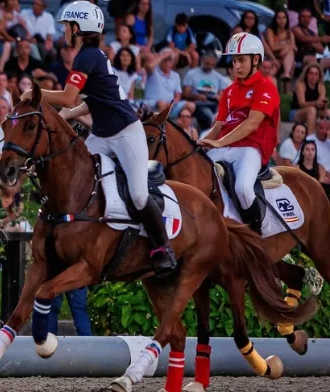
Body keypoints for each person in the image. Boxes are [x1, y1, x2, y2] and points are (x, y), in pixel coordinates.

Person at [30, 1, 176, 277]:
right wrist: (70, 112)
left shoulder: (87, 57)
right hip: (101, 134)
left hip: (125, 133)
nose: (64, 32)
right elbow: (92, 100)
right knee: (75, 174)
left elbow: (68, 96)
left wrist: (33, 93)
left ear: (78, 29)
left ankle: (163, 248)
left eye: (66, 27)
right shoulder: (88, 55)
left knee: (138, 193)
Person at [197, 32, 281, 234]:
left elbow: (252, 124)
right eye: (234, 61)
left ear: (256, 60)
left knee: (243, 188)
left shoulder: (266, 86)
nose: (236, 66)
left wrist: (220, 142)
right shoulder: (229, 90)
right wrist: (198, 144)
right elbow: (217, 127)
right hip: (225, 146)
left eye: (241, 60)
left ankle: (255, 235)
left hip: (251, 149)